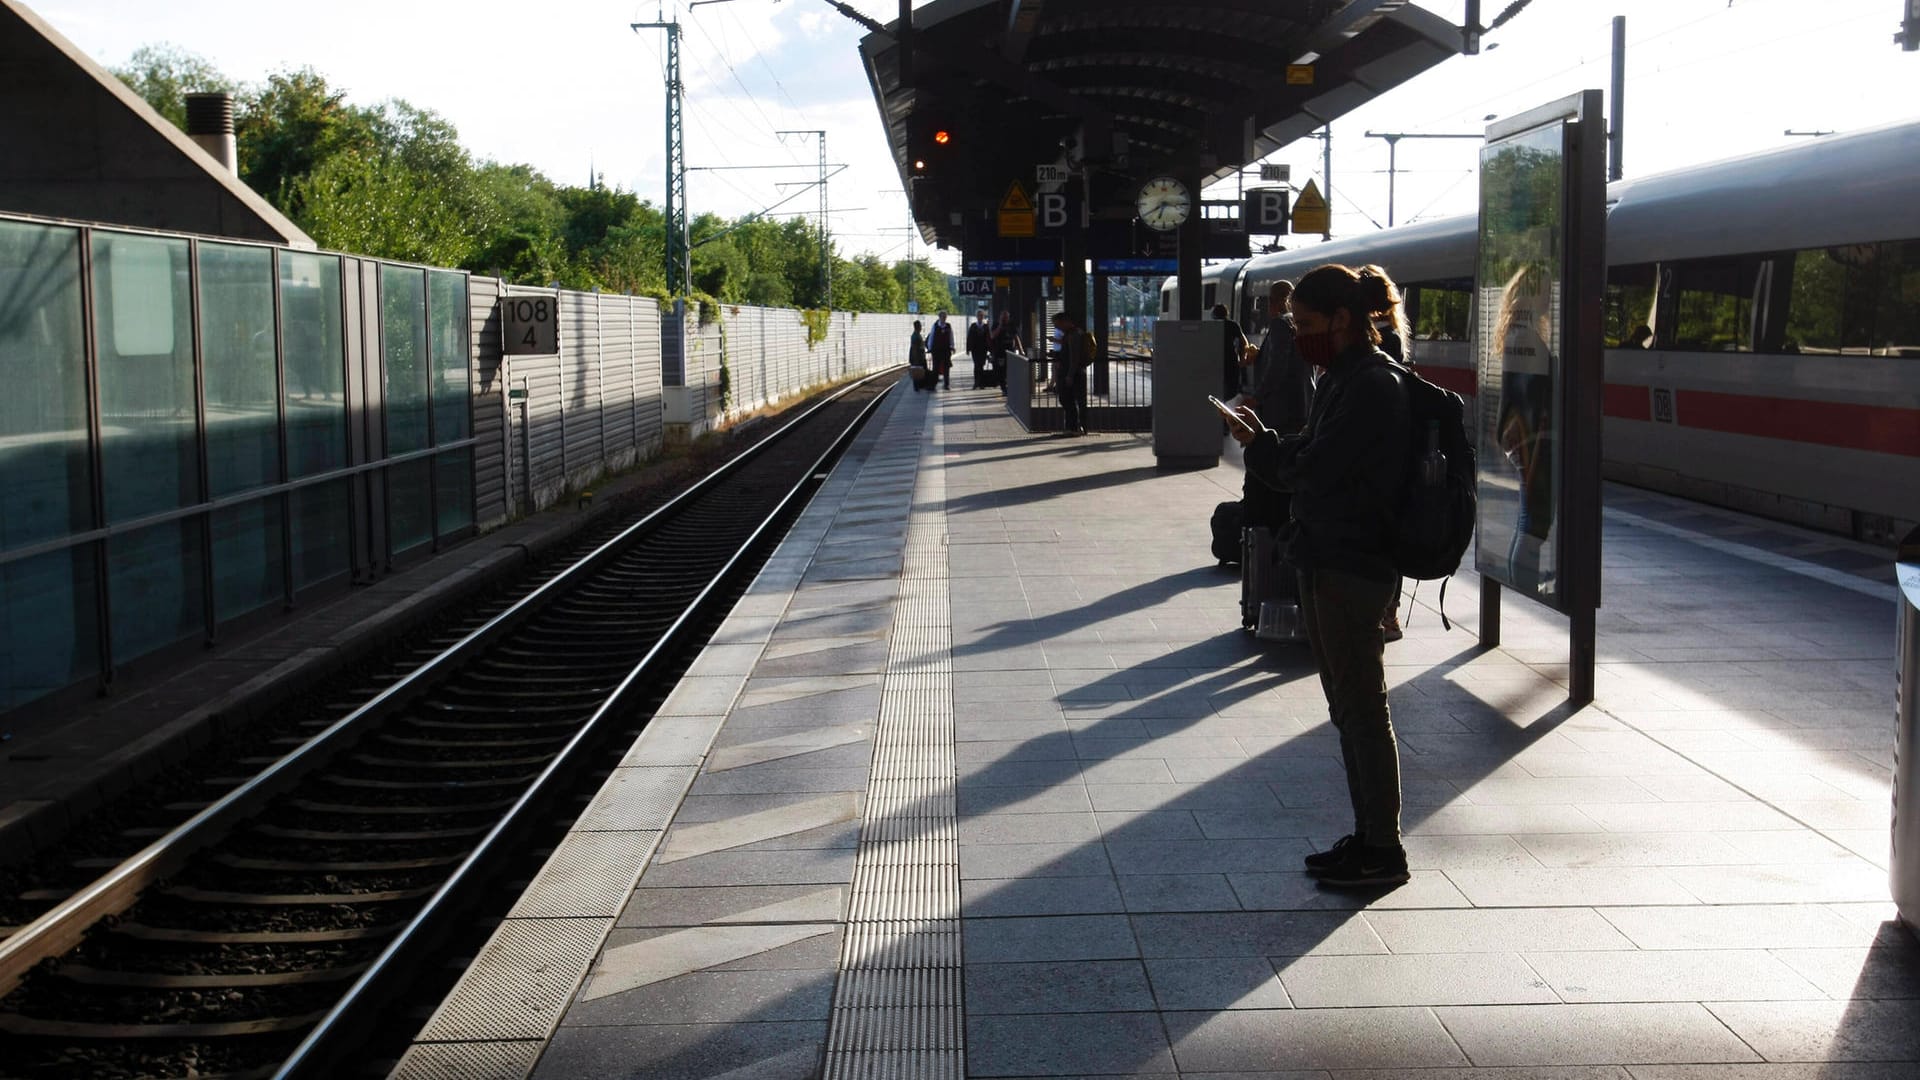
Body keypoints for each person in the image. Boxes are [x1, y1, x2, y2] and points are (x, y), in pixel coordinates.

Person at [1229, 263, 1411, 889]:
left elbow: (1316, 468)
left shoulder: (1370, 385)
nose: (1299, 336)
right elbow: (1313, 457)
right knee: (1347, 706)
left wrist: (1262, 448)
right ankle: (1366, 836)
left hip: (1350, 563)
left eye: (1306, 325)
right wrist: (1274, 445)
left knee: (1362, 709)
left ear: (1341, 320)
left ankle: (1383, 849)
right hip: (1328, 555)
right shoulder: (1344, 377)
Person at [1239, 280, 1312, 532]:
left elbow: (1278, 367)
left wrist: (1257, 397)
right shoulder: (1296, 324)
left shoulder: (1281, 323)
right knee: (1290, 463)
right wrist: (1261, 354)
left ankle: (1267, 526)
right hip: (1301, 407)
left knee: (1271, 465)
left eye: (1269, 301)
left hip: (1281, 410)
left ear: (1277, 301)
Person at [1050, 310, 1090, 436]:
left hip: (1073, 374)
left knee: (1069, 400)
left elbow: (1074, 357)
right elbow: (1068, 354)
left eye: (1057, 324)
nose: (1056, 327)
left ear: (1064, 322)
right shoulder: (1069, 334)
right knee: (1068, 400)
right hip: (1070, 372)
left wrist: (1070, 375)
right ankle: (1072, 427)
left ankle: (1074, 428)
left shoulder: (1074, 335)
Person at [1212, 303, 1253, 398]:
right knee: (1232, 389)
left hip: (1216, 360)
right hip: (1231, 360)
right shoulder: (1233, 325)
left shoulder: (1212, 326)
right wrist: (1243, 358)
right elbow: (1244, 342)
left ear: (1214, 315)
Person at [991, 311, 1023, 395]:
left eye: (1006, 318)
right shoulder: (996, 324)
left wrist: (1021, 350)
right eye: (1003, 318)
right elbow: (993, 336)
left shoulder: (1011, 325)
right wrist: (1000, 326)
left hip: (1010, 352)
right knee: (1001, 371)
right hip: (1000, 352)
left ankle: (1010, 387)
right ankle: (1004, 388)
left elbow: (1016, 337)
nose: (1005, 319)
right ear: (1000, 317)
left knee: (1010, 370)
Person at [928, 311, 956, 389]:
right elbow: (931, 337)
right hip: (936, 349)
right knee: (935, 367)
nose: (944, 318)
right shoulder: (935, 326)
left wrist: (952, 346)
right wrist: (930, 348)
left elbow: (951, 337)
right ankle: (933, 384)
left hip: (946, 349)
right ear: (939, 317)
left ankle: (946, 384)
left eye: (945, 317)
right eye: (942, 316)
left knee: (946, 367)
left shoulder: (948, 326)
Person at [966, 309, 991, 388]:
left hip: (983, 349)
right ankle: (977, 382)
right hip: (975, 349)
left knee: (981, 365)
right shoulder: (973, 326)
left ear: (983, 316)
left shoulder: (986, 326)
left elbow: (988, 338)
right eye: (979, 315)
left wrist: (990, 349)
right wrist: (968, 349)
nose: (980, 317)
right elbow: (969, 338)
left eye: (981, 315)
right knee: (977, 365)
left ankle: (981, 382)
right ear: (976, 317)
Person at [908, 319, 927, 392]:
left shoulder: (916, 335)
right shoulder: (915, 336)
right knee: (917, 372)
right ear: (917, 327)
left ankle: (919, 386)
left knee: (919, 371)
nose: (921, 327)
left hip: (918, 357)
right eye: (920, 326)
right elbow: (915, 348)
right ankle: (917, 387)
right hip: (917, 358)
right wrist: (916, 359)